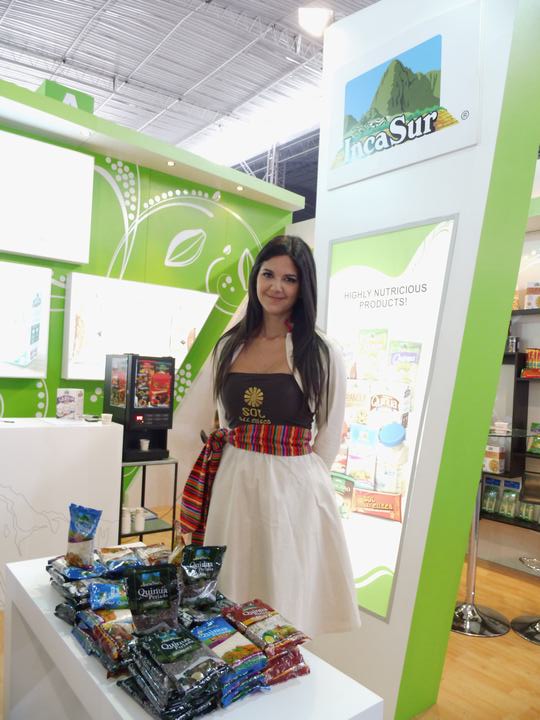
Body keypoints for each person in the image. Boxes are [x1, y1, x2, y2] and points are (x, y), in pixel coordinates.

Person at [181, 235, 360, 637]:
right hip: (234, 476)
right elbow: (223, 417)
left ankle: (279, 657)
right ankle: (231, 651)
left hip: (291, 484)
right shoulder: (229, 345)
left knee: (281, 579)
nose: (276, 287)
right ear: (255, 278)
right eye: (268, 274)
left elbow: (329, 432)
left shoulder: (320, 351)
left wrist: (302, 484)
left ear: (303, 286)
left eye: (289, 279)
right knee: (233, 574)